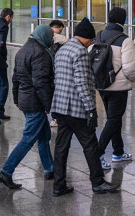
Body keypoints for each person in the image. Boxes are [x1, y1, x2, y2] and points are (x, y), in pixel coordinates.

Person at [51, 18, 119, 197]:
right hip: (76, 108)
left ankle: (59, 185)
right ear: (86, 38)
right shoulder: (80, 52)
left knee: (61, 147)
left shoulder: (62, 49)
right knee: (90, 145)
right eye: (91, 40)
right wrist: (91, 109)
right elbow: (81, 83)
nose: (91, 43)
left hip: (60, 106)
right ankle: (97, 182)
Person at [0, 25, 56, 190]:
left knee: (43, 136)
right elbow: (41, 82)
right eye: (51, 36)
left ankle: (49, 169)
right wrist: (47, 105)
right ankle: (6, 172)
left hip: (25, 99)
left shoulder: (23, 49)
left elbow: (15, 77)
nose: (52, 40)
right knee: (28, 138)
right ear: (43, 36)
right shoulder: (41, 54)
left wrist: (16, 98)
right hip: (35, 102)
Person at [96, 7, 135, 168]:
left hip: (101, 84)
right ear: (123, 20)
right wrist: (133, 80)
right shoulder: (124, 39)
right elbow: (130, 68)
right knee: (113, 120)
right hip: (118, 87)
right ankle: (97, 154)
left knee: (113, 119)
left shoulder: (98, 35)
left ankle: (118, 152)